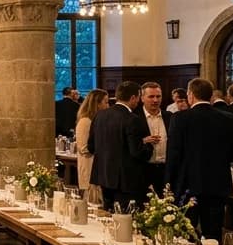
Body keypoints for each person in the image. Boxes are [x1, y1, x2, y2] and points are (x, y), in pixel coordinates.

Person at [166, 78, 233, 240]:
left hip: (188, 184)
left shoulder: (180, 118)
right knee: (213, 234)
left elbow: (174, 155)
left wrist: (168, 184)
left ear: (190, 95)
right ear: (211, 96)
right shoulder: (227, 118)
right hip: (218, 183)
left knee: (185, 232)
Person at [87, 81, 152, 211]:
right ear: (133, 97)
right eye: (138, 97)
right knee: (126, 219)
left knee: (108, 214)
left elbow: (91, 147)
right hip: (125, 179)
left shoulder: (100, 115)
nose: (138, 101)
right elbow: (136, 152)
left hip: (104, 176)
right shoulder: (132, 119)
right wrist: (147, 144)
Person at [74, 89, 109, 205]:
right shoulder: (85, 121)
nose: (108, 106)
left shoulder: (97, 120)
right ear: (97, 104)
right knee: (92, 202)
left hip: (98, 167)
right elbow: (84, 148)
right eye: (106, 102)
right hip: (89, 166)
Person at [138, 81, 172, 196]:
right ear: (142, 98)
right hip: (144, 170)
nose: (155, 100)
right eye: (151, 96)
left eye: (158, 96)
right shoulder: (134, 118)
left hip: (166, 170)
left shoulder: (170, 117)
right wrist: (143, 141)